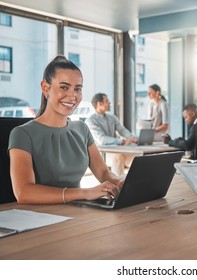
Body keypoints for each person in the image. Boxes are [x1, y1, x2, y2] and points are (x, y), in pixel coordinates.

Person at [8, 55, 122, 204]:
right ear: (45, 88)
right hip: (41, 217)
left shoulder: (82, 129)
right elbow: (23, 192)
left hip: (77, 213)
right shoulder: (22, 134)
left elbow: (103, 172)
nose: (72, 96)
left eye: (78, 89)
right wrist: (85, 193)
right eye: (64, 87)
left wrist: (120, 182)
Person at [86, 93, 138, 176]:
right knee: (118, 157)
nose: (110, 103)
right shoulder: (91, 121)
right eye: (107, 101)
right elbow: (102, 140)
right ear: (100, 104)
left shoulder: (112, 118)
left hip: (117, 149)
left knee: (136, 159)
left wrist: (132, 138)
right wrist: (121, 141)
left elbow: (122, 130)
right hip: (102, 153)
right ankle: (118, 185)